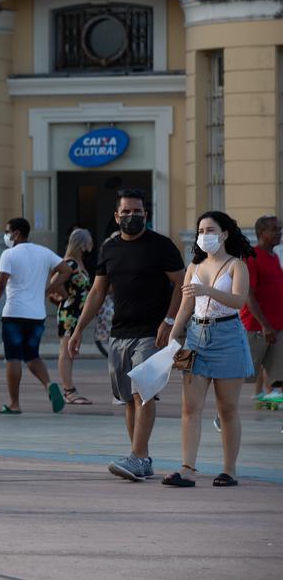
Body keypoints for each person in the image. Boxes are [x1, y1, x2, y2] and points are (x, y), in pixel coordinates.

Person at [69, 188, 185, 481]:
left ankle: (137, 457)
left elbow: (182, 284)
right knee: (128, 399)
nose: (132, 216)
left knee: (143, 392)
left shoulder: (161, 246)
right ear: (116, 215)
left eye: (137, 211)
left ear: (146, 214)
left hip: (152, 333)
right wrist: (79, 329)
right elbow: (97, 292)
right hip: (120, 334)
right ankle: (140, 458)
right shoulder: (109, 248)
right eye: (126, 211)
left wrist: (170, 321)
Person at [162, 212, 255, 488]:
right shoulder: (194, 267)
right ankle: (187, 468)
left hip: (228, 336)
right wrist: (173, 336)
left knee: (227, 408)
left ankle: (229, 470)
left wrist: (208, 291)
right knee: (189, 407)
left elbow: (238, 301)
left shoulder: (236, 265)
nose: (204, 235)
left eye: (210, 230)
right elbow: (185, 307)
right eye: (201, 231)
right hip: (195, 336)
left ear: (224, 234)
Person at [0, 217, 70, 414]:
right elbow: (66, 270)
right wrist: (49, 289)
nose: (6, 235)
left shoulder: (8, 254)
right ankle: (49, 384)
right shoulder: (44, 252)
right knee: (32, 356)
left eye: (7, 231)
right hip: (37, 315)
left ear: (16, 233)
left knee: (13, 358)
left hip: (14, 314)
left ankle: (14, 403)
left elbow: (0, 284)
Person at [240, 215, 283, 403]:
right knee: (242, 374)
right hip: (257, 328)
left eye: (280, 229)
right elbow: (248, 294)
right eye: (275, 229)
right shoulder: (252, 256)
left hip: (276, 327)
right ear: (261, 233)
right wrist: (265, 325)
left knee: (277, 374)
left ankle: (271, 397)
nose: (279, 232)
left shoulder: (274, 257)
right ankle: (223, 410)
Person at [50, 228, 94, 405]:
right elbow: (53, 284)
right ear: (81, 243)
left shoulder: (78, 262)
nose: (91, 245)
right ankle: (69, 391)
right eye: (89, 241)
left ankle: (69, 389)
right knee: (66, 350)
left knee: (71, 350)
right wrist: (66, 296)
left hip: (77, 312)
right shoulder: (69, 263)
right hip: (69, 312)